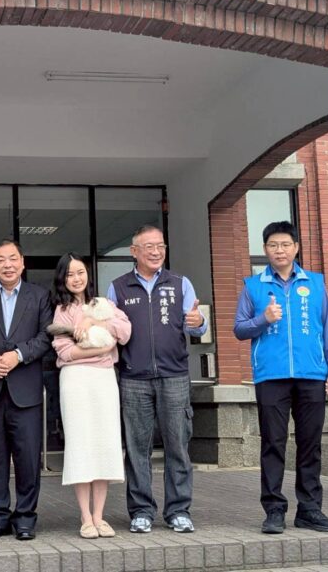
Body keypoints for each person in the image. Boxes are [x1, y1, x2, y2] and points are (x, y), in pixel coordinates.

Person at [233, 220, 328, 534]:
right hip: (271, 376)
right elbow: (239, 329)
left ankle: (309, 509)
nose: (279, 250)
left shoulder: (315, 284)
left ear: (296, 247)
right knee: (273, 443)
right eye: (273, 245)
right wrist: (263, 319)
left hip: (312, 374)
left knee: (310, 445)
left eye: (285, 244)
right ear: (264, 249)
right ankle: (274, 510)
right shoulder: (254, 286)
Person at [108, 225, 206, 533]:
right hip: (133, 378)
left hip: (174, 376)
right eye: (148, 246)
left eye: (160, 246)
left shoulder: (179, 283)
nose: (156, 251)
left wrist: (199, 321)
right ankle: (141, 511)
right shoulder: (118, 288)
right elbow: (110, 331)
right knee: (137, 449)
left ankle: (178, 510)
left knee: (178, 445)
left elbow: (195, 325)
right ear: (134, 252)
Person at [0, 239, 53, 541]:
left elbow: (46, 337)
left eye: (13, 258)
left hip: (26, 391)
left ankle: (25, 517)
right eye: (0, 260)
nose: (7, 265)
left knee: (28, 459)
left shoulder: (39, 295)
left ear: (22, 262)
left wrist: (19, 354)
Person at [51, 253, 131, 539]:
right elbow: (64, 352)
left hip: (104, 380)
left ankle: (100, 516)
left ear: (88, 274)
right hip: (75, 381)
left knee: (104, 444)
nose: (76, 279)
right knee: (81, 444)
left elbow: (125, 331)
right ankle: (85, 517)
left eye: (80, 272)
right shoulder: (62, 311)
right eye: (70, 274)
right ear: (62, 279)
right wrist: (103, 350)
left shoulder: (103, 303)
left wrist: (93, 323)